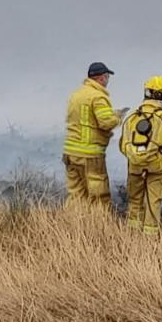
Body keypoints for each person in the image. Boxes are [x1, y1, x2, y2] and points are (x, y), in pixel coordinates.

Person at [119, 75, 162, 235]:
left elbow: (123, 145)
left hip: (135, 167)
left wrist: (136, 157)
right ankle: (149, 240)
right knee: (154, 204)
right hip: (157, 168)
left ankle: (132, 235)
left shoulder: (132, 117)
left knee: (134, 201)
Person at [63, 61, 126, 210]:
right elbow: (105, 123)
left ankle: (71, 226)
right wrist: (118, 117)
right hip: (90, 155)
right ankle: (98, 227)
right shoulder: (98, 97)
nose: (108, 81)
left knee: (76, 195)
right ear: (102, 78)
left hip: (71, 153)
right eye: (107, 78)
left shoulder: (76, 95)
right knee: (99, 196)